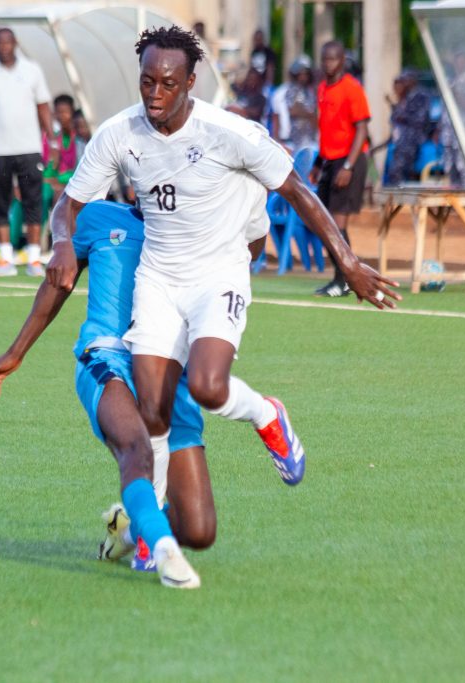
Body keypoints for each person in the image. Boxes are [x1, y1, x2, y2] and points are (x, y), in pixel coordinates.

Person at [49, 27, 400, 582]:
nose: (155, 94)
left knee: (209, 386)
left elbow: (299, 192)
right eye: (147, 81)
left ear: (192, 82)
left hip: (217, 278)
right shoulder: (120, 133)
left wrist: (348, 263)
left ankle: (267, 415)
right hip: (158, 280)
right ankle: (149, 538)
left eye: (168, 83)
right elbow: (67, 205)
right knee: (152, 411)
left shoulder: (230, 134)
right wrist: (62, 243)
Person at [0, 194, 253, 589]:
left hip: (169, 371)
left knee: (198, 529)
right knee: (136, 449)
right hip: (108, 358)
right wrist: (16, 352)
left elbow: (248, 249)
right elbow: (59, 279)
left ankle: (129, 530)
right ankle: (163, 551)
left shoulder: (194, 229)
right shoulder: (99, 216)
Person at [0, 27, 56, 278]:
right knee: (0, 202)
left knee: (32, 201)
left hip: (29, 149)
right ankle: (5, 258)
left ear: (15, 43)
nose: (4, 47)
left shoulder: (32, 70)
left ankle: (34, 259)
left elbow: (43, 106)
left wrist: (53, 140)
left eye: (8, 42)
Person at [312, 40, 371, 298]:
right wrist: (318, 162)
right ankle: (341, 276)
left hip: (349, 160)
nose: (328, 64)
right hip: (330, 160)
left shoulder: (352, 88)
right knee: (325, 224)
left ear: (343, 61)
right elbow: (327, 129)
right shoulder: (322, 88)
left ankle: (345, 279)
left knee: (336, 224)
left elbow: (362, 129)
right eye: (325, 59)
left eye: (333, 59)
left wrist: (348, 166)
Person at [386, 70, 431, 185]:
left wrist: (402, 116)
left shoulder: (421, 96)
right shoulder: (405, 97)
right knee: (396, 174)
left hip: (413, 140)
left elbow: (420, 119)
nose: (404, 83)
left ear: (413, 80)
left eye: (405, 80)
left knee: (400, 172)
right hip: (401, 142)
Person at [440, 51, 465, 188]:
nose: (459, 64)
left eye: (462, 61)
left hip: (463, 133)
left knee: (464, 168)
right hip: (449, 134)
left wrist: (456, 95)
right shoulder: (449, 82)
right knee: (450, 168)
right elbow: (444, 110)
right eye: (457, 61)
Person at [270, 54, 317, 152]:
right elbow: (293, 110)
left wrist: (308, 114)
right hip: (291, 142)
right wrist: (309, 114)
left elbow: (315, 118)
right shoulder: (287, 91)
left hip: (309, 141)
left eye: (306, 73)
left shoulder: (311, 92)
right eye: (301, 73)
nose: (303, 76)